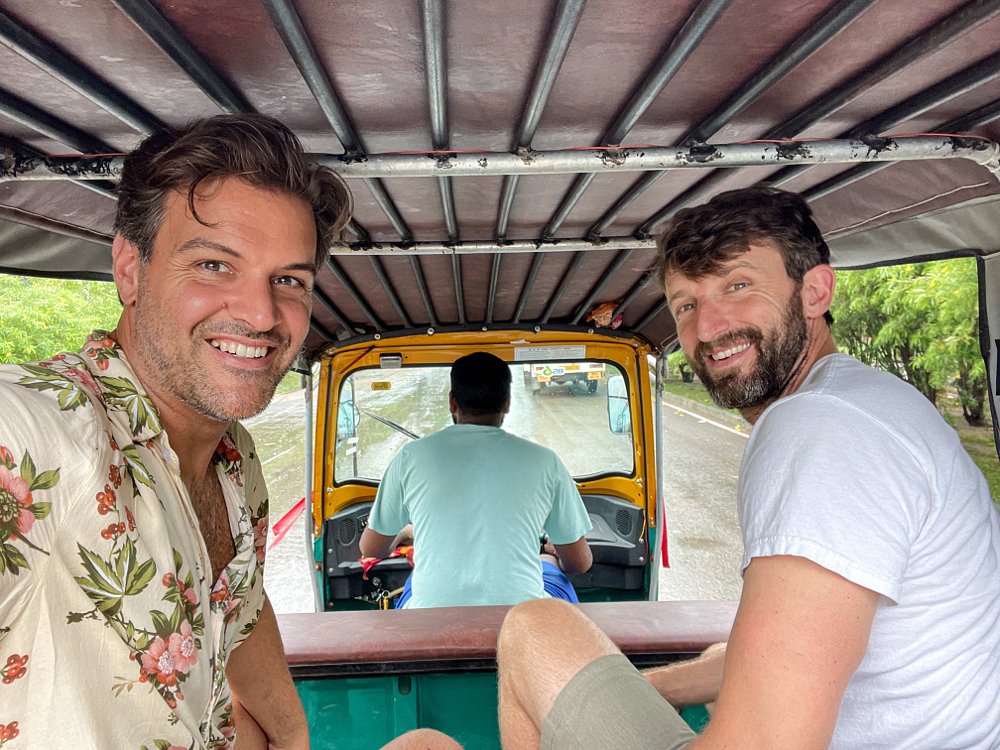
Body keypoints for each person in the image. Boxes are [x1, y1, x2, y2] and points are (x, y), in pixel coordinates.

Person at [496, 186, 1000, 749]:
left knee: (535, 625)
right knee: (722, 656)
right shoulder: (874, 401)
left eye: (737, 286)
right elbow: (772, 657)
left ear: (815, 291)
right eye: (686, 304)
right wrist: (634, 691)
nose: (707, 329)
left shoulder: (818, 427)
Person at [0, 113, 351, 749]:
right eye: (215, 264)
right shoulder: (39, 436)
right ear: (130, 270)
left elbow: (237, 609)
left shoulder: (233, 458)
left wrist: (294, 736)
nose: (261, 313)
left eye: (289, 280)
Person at [358, 351, 593, 608]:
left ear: (452, 402)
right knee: (548, 564)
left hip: (429, 623)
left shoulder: (409, 457)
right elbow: (579, 564)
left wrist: (404, 531)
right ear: (506, 403)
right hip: (519, 625)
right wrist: (553, 550)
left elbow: (372, 549)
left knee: (418, 581)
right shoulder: (545, 461)